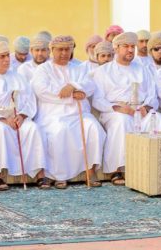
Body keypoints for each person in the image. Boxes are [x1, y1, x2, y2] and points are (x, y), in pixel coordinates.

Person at [32, 35, 106, 189]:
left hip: (79, 113)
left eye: (67, 49)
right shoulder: (43, 69)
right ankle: (59, 176)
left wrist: (73, 85)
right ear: (52, 50)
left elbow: (90, 85)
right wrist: (72, 95)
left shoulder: (79, 67)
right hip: (53, 114)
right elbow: (42, 91)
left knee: (94, 128)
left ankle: (90, 172)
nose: (64, 53)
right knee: (60, 131)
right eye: (60, 49)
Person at [0, 41, 48, 190]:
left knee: (32, 128)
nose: (7, 59)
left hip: (18, 117)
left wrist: (22, 116)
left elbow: (30, 100)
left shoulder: (18, 77)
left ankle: (40, 175)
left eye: (7, 55)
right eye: (2, 56)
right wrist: (4, 119)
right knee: (0, 130)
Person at [92, 32, 161, 186]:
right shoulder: (102, 71)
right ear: (116, 48)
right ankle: (117, 169)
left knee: (156, 118)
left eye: (132, 46)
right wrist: (120, 108)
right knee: (122, 121)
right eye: (126, 46)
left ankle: (153, 167)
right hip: (115, 111)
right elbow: (97, 100)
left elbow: (152, 95)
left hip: (141, 109)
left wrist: (146, 107)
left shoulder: (143, 69)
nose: (130, 50)